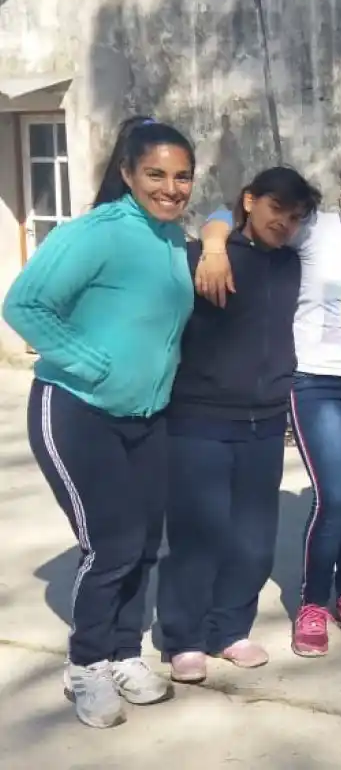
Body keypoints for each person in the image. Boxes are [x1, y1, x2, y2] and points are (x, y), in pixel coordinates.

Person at [2, 115, 196, 728]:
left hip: (147, 418)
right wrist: (91, 362)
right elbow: (24, 304)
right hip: (77, 411)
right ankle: (85, 664)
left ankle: (122, 653)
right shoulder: (96, 232)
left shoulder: (171, 236)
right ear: (128, 174)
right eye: (156, 175)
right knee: (109, 543)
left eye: (182, 176)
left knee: (142, 544)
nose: (171, 188)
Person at [194, 150, 341, 659]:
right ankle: (314, 601)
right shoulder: (313, 229)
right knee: (334, 498)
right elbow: (232, 214)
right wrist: (213, 245)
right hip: (317, 384)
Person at [158, 167, 322, 683]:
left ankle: (229, 629)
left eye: (295, 217)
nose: (285, 224)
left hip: (266, 421)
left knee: (253, 537)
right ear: (249, 201)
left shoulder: (294, 264)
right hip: (199, 416)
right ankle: (183, 637)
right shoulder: (205, 256)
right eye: (276, 210)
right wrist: (213, 240)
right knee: (197, 533)